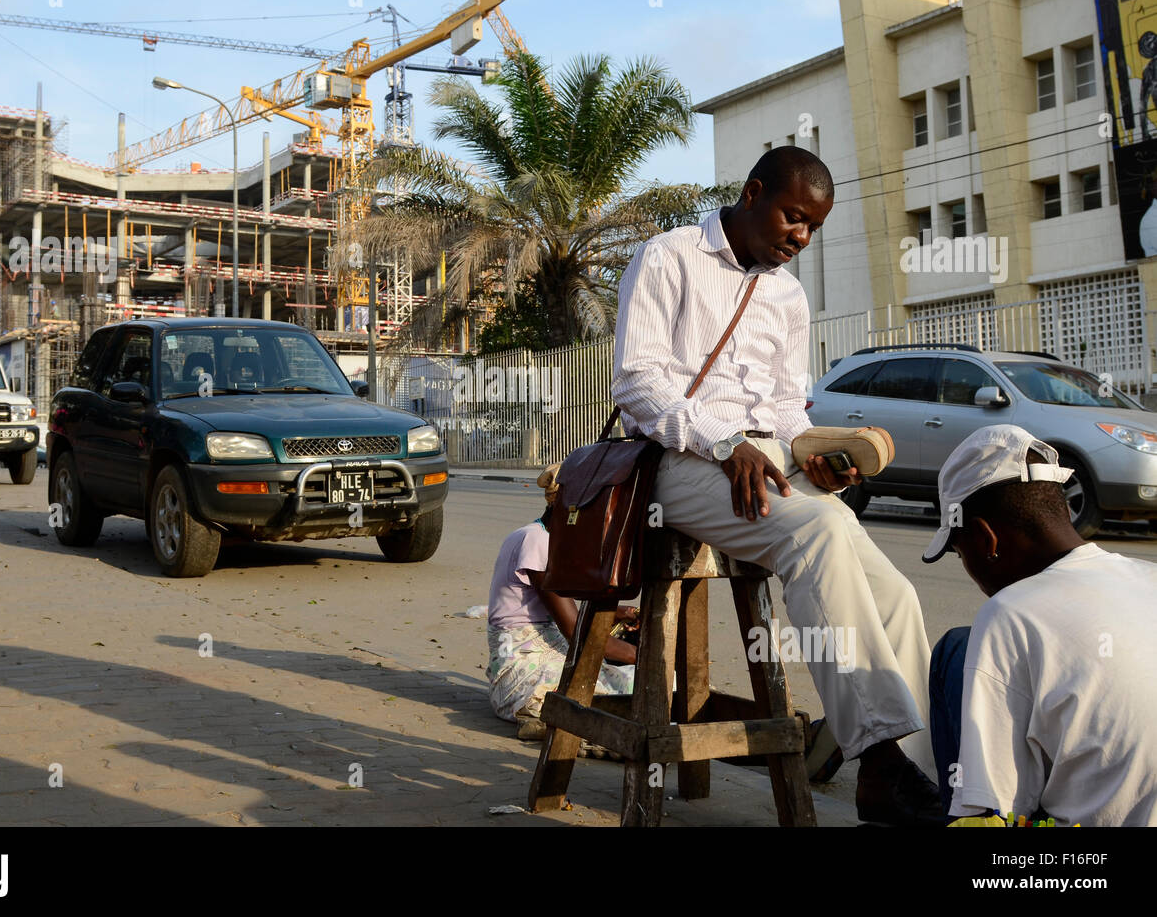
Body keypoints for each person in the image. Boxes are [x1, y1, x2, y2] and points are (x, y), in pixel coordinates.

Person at [612, 145, 943, 825]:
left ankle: (916, 773)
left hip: (773, 466)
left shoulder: (789, 295)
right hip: (683, 461)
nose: (801, 237)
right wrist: (726, 442)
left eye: (814, 228)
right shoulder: (669, 255)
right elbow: (639, 384)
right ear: (754, 192)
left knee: (897, 597)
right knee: (819, 534)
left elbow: (792, 406)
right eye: (794, 217)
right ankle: (876, 760)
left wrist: (816, 453)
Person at [924, 424, 1157, 826]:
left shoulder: (1010, 613)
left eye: (960, 554)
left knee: (954, 650)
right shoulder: (1148, 575)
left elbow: (993, 814)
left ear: (986, 539)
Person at [486, 464, 637, 737]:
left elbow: (563, 610)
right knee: (610, 693)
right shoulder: (536, 542)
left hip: (546, 642)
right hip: (522, 661)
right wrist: (643, 656)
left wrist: (617, 614)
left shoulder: (544, 537)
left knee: (624, 688)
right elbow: (575, 632)